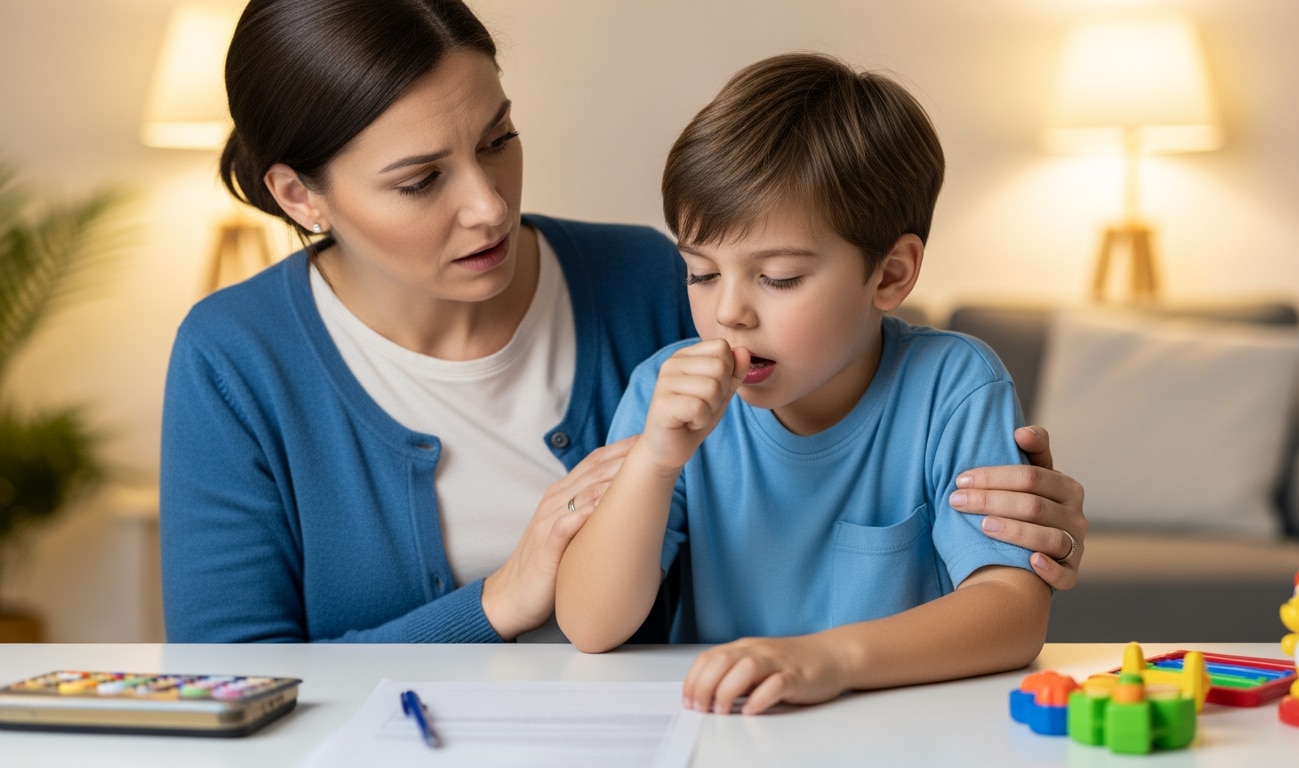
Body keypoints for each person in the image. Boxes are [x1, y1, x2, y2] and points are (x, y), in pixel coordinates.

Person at [159, 0, 1085, 644]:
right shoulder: (237, 359)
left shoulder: (652, 281)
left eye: (497, 140)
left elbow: (857, 410)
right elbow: (240, 681)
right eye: (420, 179)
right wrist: (500, 601)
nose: (490, 206)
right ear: (299, 194)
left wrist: (1025, 517)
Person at [556, 52, 1051, 714]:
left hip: (908, 728)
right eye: (702, 273)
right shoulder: (662, 393)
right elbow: (589, 625)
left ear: (890, 275)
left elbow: (1012, 612)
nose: (728, 311)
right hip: (727, 727)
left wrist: (826, 659)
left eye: (778, 277)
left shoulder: (953, 386)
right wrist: (653, 460)